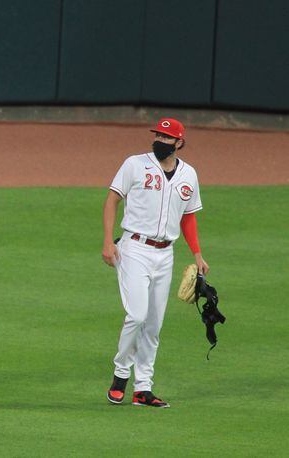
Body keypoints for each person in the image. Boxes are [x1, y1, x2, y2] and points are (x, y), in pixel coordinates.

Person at [102, 118, 208, 408]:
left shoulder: (189, 175)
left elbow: (189, 216)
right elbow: (112, 200)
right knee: (136, 316)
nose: (160, 140)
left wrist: (197, 253)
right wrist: (108, 241)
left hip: (165, 255)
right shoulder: (135, 164)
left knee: (153, 325)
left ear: (179, 142)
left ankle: (143, 388)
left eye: (167, 137)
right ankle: (120, 374)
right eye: (158, 135)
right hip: (134, 248)